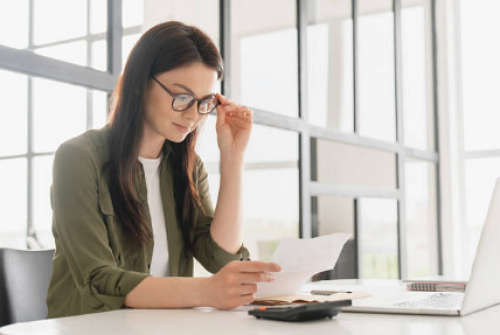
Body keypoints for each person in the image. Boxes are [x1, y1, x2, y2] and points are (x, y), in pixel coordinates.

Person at [46, 21, 281, 318]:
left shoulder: (187, 167)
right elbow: (99, 279)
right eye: (182, 97)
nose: (194, 115)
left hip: (163, 324)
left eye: (203, 102)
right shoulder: (78, 158)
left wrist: (232, 157)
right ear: (139, 84)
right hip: (91, 327)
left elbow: (220, 258)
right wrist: (206, 291)